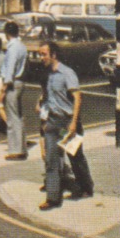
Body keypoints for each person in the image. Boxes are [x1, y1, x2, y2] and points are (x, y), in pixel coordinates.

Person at [37, 39, 94, 210]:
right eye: (40, 54)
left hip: (67, 122)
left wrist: (73, 124)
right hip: (53, 121)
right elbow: (47, 94)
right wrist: (42, 108)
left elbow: (77, 98)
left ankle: (86, 187)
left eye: (43, 54)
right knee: (51, 160)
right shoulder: (47, 74)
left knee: (75, 158)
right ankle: (53, 198)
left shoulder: (67, 73)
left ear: (53, 54)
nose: (41, 58)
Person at [0, 20, 28, 159]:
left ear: (6, 34)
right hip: (21, 82)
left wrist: (3, 89)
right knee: (18, 116)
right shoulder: (22, 46)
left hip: (13, 84)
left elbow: (10, 69)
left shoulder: (12, 48)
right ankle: (21, 147)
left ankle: (16, 151)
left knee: (12, 118)